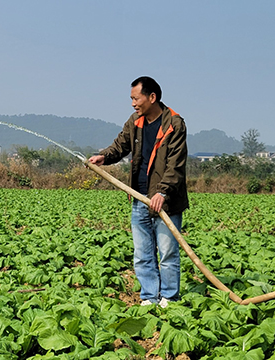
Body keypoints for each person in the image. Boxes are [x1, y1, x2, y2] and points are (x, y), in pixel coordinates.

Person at [88, 76, 189, 308]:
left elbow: (175, 165)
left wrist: (162, 193)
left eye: (136, 98)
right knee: (142, 254)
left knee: (167, 254)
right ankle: (149, 297)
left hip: (166, 201)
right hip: (139, 197)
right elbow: (120, 145)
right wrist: (104, 156)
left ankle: (169, 298)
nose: (133, 103)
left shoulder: (174, 124)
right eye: (131, 99)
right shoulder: (135, 121)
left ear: (152, 97)